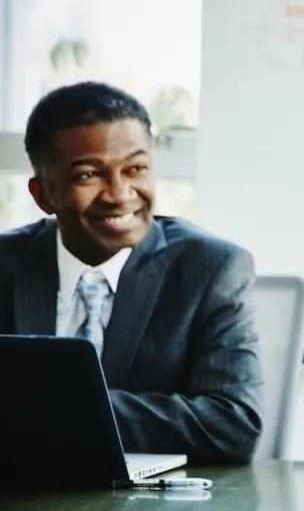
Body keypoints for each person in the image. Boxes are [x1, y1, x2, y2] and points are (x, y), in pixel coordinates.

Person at [0, 81, 263, 463]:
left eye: (135, 169)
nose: (120, 194)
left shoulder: (210, 268)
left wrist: (60, 409)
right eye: (89, 175)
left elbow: (232, 423)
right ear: (44, 195)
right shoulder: (7, 264)